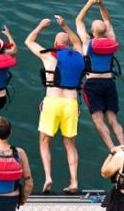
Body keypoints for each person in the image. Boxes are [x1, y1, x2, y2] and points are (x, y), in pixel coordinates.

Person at [25, 16, 84, 194]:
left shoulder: (49, 56)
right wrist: (65, 25)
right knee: (70, 144)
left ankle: (48, 177)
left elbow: (29, 41)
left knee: (44, 141)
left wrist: (40, 26)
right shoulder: (79, 55)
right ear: (69, 45)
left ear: (55, 44)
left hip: (52, 102)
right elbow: (77, 41)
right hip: (71, 104)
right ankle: (74, 181)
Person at [75, 0, 124, 150]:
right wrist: (101, 3)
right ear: (105, 32)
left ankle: (112, 149)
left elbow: (78, 20)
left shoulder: (87, 42)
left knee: (98, 119)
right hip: (109, 83)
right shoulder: (111, 40)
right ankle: (123, 146)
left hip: (93, 83)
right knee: (113, 119)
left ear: (92, 30)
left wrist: (91, 2)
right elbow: (107, 21)